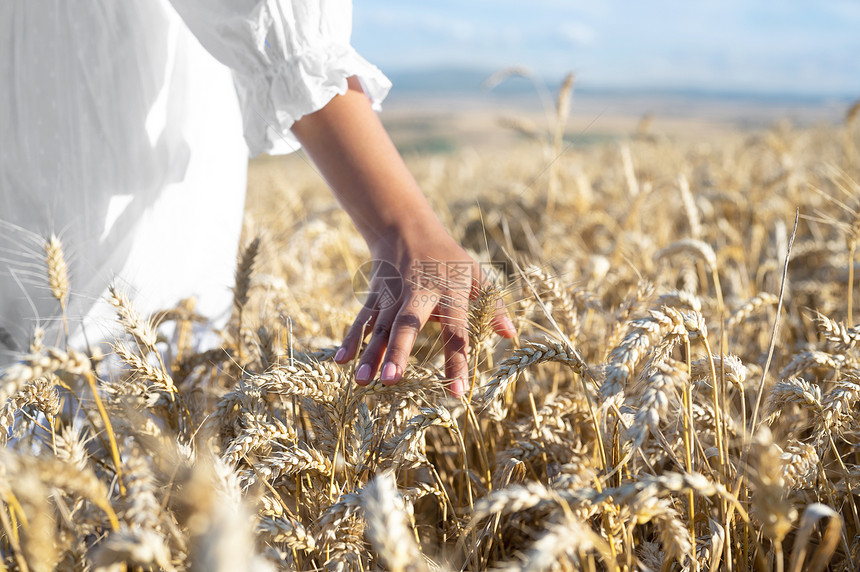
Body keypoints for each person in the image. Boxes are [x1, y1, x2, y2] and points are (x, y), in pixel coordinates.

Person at [0, 1, 515, 396]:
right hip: (103, 156)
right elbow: (273, 21)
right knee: (116, 403)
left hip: (52, 121)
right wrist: (404, 224)